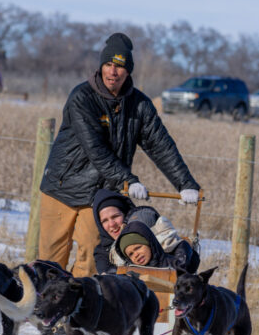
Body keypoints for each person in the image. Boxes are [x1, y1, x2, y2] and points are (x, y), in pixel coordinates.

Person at [38, 32, 201, 277]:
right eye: (108, 64)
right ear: (101, 66)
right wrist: (129, 181)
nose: (113, 72)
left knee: (91, 260)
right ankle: (41, 311)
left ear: (128, 71)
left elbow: (161, 145)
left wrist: (185, 183)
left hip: (98, 197)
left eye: (120, 67)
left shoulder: (140, 105)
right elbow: (96, 149)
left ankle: (75, 311)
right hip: (62, 188)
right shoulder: (82, 98)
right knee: (50, 260)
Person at [91, 188, 199, 274]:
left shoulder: (157, 237)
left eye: (115, 216)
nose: (112, 224)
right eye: (104, 221)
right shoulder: (102, 253)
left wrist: (184, 251)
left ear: (126, 216)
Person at [113, 220, 199, 273]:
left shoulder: (173, 264)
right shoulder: (131, 273)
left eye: (138, 248)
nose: (136, 255)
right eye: (131, 254)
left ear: (150, 244)